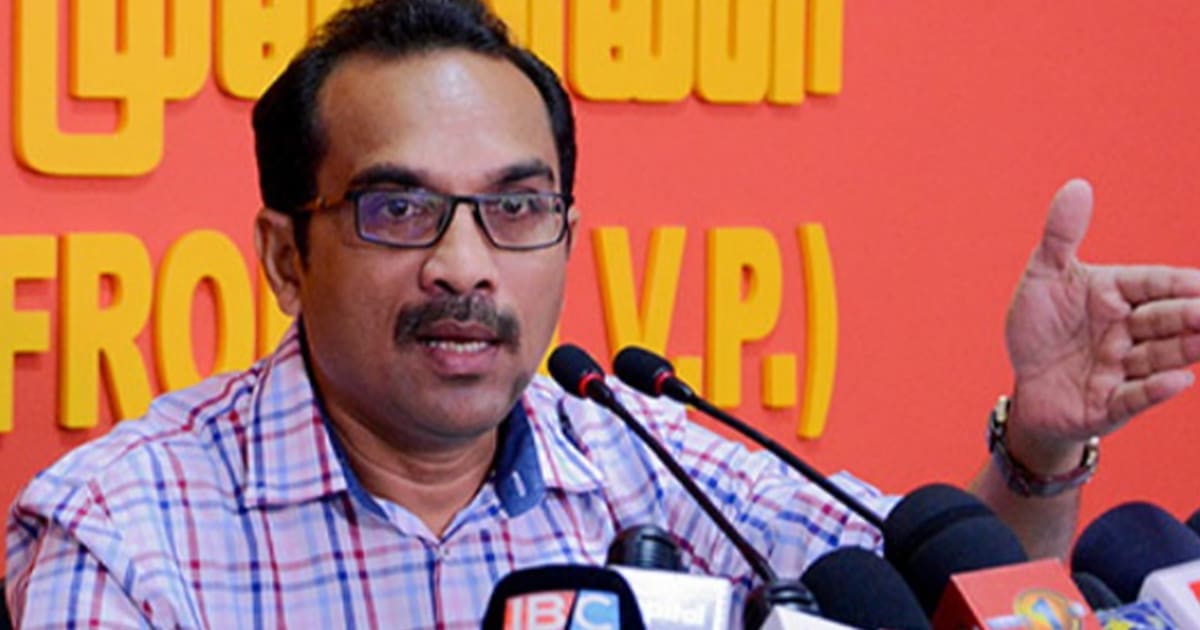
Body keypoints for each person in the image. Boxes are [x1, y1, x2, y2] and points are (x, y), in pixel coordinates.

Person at [7, 0, 1200, 627]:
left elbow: (935, 595)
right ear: (285, 257)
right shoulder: (126, 532)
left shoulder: (639, 452)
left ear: (565, 235)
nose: (464, 267)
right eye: (399, 210)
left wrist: (1040, 449)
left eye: (516, 209)